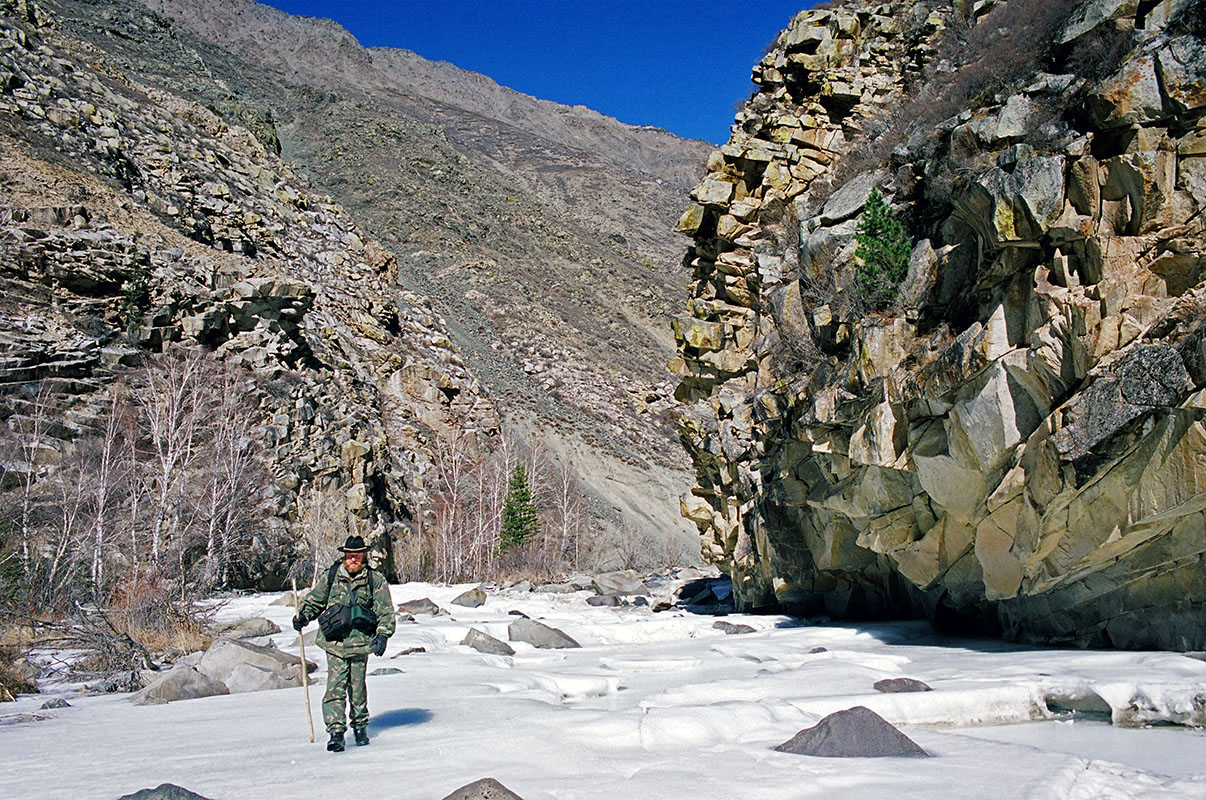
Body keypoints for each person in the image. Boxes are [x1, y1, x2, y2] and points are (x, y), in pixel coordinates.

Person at [293, 535, 395, 752]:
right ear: (345, 555)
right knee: (335, 687)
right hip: (335, 643)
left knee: (357, 688)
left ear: (364, 556)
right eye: (349, 555)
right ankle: (336, 733)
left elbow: (384, 610)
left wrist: (383, 635)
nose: (353, 559)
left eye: (357, 555)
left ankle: (360, 728)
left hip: (361, 643)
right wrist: (303, 616)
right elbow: (315, 601)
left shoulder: (374, 580)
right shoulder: (331, 576)